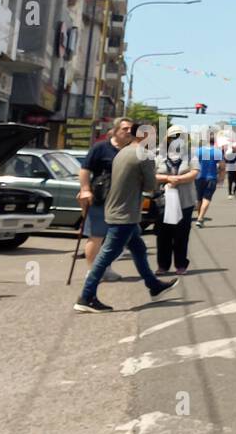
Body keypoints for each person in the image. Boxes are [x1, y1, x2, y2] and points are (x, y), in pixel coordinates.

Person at [74, 122, 179, 313]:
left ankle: (153, 286)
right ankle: (86, 297)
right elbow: (150, 186)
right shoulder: (143, 154)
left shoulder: (122, 151)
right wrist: (162, 180)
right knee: (105, 256)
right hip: (125, 213)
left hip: (116, 208)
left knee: (138, 249)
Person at [77, 117, 134, 282]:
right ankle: (93, 270)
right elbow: (85, 170)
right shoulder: (101, 147)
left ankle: (106, 268)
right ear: (115, 131)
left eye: (132, 129)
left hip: (123, 201)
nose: (129, 132)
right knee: (96, 235)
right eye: (125, 129)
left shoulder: (131, 150)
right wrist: (85, 190)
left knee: (117, 238)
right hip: (101, 198)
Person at [155, 125, 199, 274]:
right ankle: (163, 265)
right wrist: (167, 178)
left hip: (184, 201)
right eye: (173, 137)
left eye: (179, 136)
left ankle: (180, 264)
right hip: (163, 200)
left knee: (181, 234)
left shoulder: (190, 155)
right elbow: (151, 175)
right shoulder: (158, 155)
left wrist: (178, 179)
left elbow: (194, 173)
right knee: (163, 234)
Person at [193, 132, 224, 226]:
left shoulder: (198, 151)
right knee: (207, 198)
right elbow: (222, 167)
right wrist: (221, 179)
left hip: (198, 177)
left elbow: (193, 164)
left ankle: (200, 218)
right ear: (214, 141)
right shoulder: (217, 152)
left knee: (199, 199)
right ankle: (200, 218)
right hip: (211, 178)